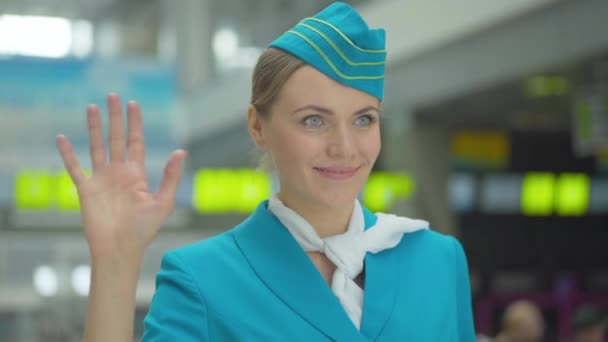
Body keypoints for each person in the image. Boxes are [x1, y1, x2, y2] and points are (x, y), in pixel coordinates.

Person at [55, 2, 475, 341]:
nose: (344, 147)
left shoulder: (437, 261)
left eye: (363, 119)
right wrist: (115, 261)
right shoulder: (204, 280)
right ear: (258, 127)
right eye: (314, 120)